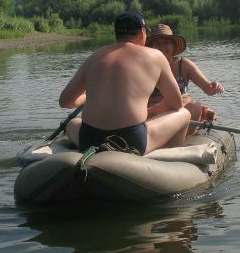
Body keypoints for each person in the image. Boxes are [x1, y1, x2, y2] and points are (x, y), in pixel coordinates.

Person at [58, 10, 191, 155]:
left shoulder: (94, 56)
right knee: (184, 113)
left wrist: (88, 97)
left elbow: (65, 102)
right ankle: (167, 157)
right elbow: (176, 104)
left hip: (89, 139)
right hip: (130, 141)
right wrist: (152, 111)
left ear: (117, 34)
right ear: (142, 33)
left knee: (72, 123)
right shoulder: (156, 56)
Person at [146, 23, 224, 127]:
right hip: (153, 114)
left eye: (166, 43)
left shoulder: (184, 65)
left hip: (178, 112)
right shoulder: (144, 67)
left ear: (173, 46)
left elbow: (208, 88)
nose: (162, 47)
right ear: (150, 47)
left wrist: (214, 86)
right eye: (157, 44)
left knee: (195, 107)